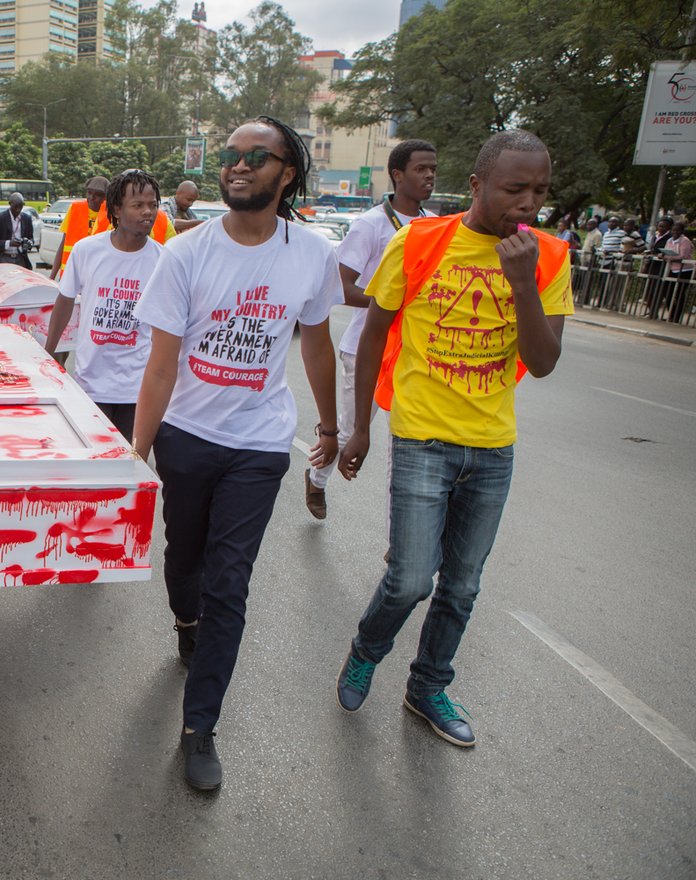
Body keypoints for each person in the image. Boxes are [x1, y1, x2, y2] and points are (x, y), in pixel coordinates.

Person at [334, 130, 573, 748]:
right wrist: (361, 427)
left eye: (539, 192)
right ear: (476, 185)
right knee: (411, 578)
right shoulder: (417, 241)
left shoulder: (549, 257)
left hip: (493, 447)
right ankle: (367, 647)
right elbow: (372, 336)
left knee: (462, 585)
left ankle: (428, 686)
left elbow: (543, 362)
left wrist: (521, 283)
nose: (528, 204)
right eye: (514, 189)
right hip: (423, 438)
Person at [132, 117, 342, 791]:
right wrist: (137, 450)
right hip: (186, 439)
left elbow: (314, 343)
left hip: (258, 443)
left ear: (288, 172)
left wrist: (330, 428)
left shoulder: (309, 253)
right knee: (183, 560)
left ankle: (200, 729)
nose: (239, 165)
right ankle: (185, 622)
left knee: (230, 581)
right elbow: (161, 366)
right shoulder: (185, 254)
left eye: (258, 156)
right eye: (231, 155)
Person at [303, 139, 436, 520]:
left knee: (410, 443)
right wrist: (391, 304)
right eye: (420, 169)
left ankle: (403, 532)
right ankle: (316, 479)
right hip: (367, 347)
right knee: (349, 433)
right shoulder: (371, 225)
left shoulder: (432, 227)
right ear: (397, 175)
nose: (428, 176)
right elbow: (341, 287)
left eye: (433, 169)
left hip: (415, 350)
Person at [45, 169, 164, 440]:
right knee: (95, 462)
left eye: (153, 205)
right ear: (116, 210)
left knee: (129, 464)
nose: (148, 212)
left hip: (137, 388)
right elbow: (65, 301)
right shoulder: (87, 250)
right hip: (91, 382)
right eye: (138, 205)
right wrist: (48, 352)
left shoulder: (163, 260)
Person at [50, 176, 109, 279]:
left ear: (106, 197)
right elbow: (63, 244)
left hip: (96, 277)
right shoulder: (75, 209)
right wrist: (52, 276)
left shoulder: (111, 215)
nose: (91, 197)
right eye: (89, 193)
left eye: (97, 195)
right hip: (71, 274)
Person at [0, 192, 35, 268]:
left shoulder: (27, 219)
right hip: (2, 258)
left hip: (20, 258)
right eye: (16, 207)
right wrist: (9, 243)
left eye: (21, 207)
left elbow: (31, 238)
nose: (18, 210)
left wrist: (29, 243)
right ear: (10, 204)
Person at [662, 221, 693, 322]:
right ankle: (671, 313)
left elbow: (683, 256)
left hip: (684, 270)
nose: (675, 232)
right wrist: (665, 256)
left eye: (677, 230)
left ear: (682, 231)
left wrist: (669, 257)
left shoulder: (685, 241)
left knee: (679, 293)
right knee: (667, 291)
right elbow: (666, 252)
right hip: (672, 269)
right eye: (673, 230)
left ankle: (676, 316)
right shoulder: (669, 240)